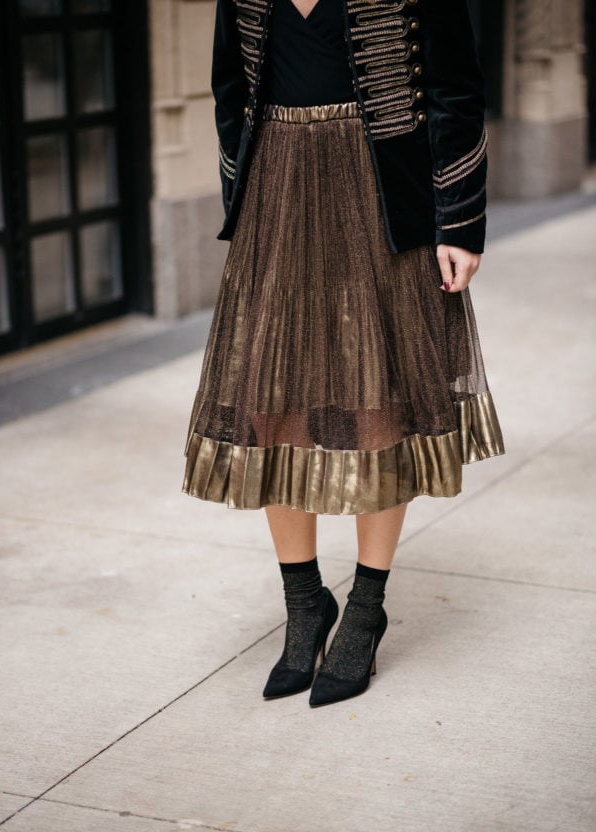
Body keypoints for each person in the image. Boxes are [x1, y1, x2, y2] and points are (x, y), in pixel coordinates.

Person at [182, 0, 505, 707]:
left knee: (378, 399)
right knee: (271, 402)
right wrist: (245, 194)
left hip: (383, 198)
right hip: (277, 195)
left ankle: (365, 607)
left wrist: (460, 221)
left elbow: (455, 90)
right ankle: (304, 602)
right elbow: (230, 86)